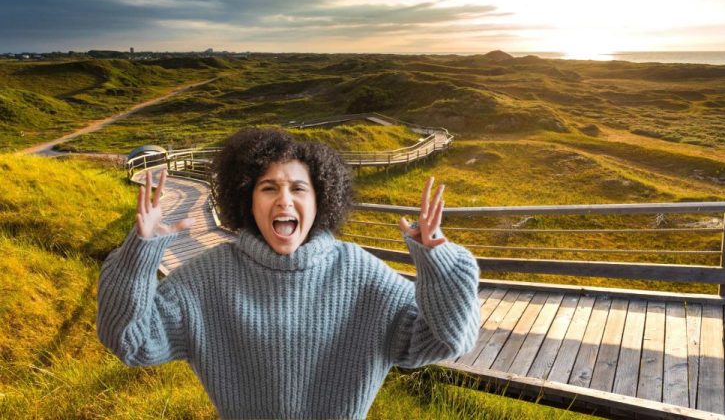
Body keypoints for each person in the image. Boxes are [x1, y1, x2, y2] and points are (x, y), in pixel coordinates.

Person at [97, 128, 480, 419]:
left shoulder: (360, 274)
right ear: (247, 199)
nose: (284, 199)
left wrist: (440, 260)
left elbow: (450, 340)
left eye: (299, 188)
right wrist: (138, 254)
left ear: (320, 201)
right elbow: (130, 341)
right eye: (268, 188)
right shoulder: (207, 279)